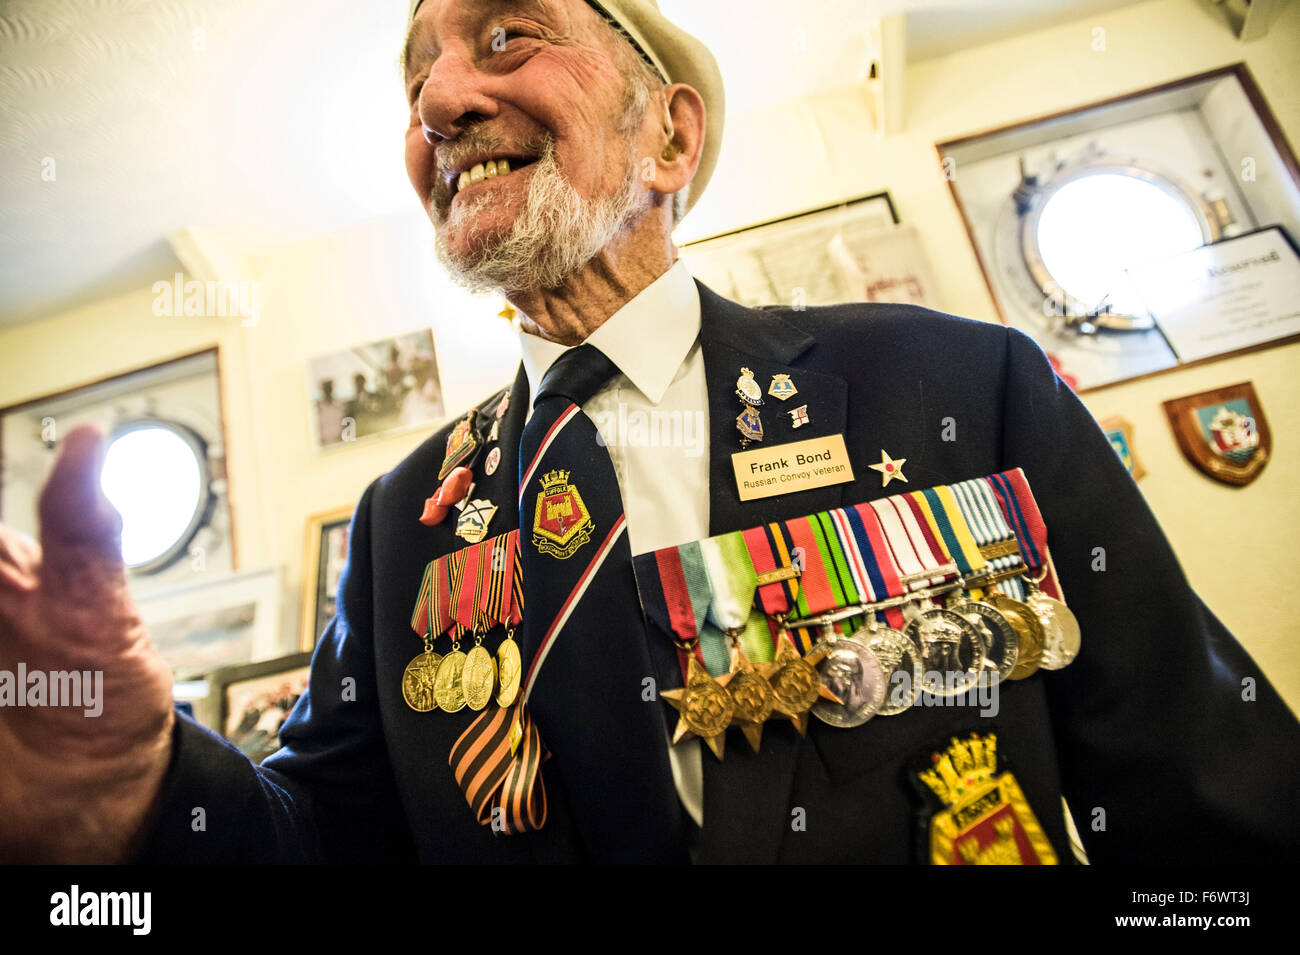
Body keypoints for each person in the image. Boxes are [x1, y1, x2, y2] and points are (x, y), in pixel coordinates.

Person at [1, 0, 1296, 865]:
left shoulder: (959, 384)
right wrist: (144, 783)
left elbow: (1213, 804)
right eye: (415, 84)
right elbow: (314, 844)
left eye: (506, 35)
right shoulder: (406, 519)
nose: (441, 101)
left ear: (667, 134)